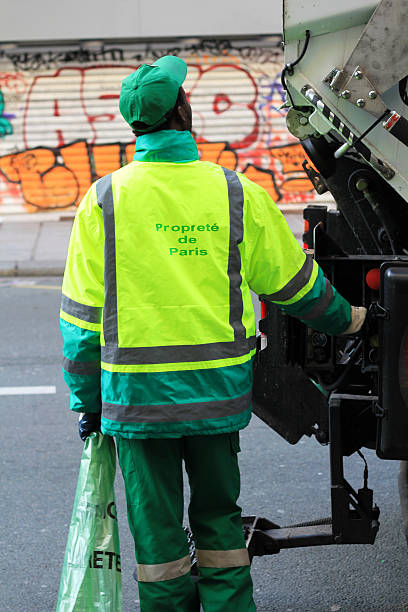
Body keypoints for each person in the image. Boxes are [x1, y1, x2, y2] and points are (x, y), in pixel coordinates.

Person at [60, 55, 366, 612]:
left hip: (138, 403)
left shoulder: (103, 201)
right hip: (215, 396)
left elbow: (80, 325)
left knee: (158, 543)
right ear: (183, 110)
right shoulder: (234, 192)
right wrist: (348, 320)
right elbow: (295, 285)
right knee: (220, 528)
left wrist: (89, 405)